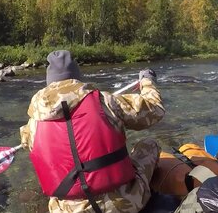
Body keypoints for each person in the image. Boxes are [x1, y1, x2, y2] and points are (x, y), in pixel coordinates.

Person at [19, 50, 165, 213]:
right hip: (124, 205)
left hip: (67, 211)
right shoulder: (106, 101)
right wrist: (147, 82)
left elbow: (28, 144)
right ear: (76, 77)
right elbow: (155, 110)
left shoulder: (32, 124)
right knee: (149, 144)